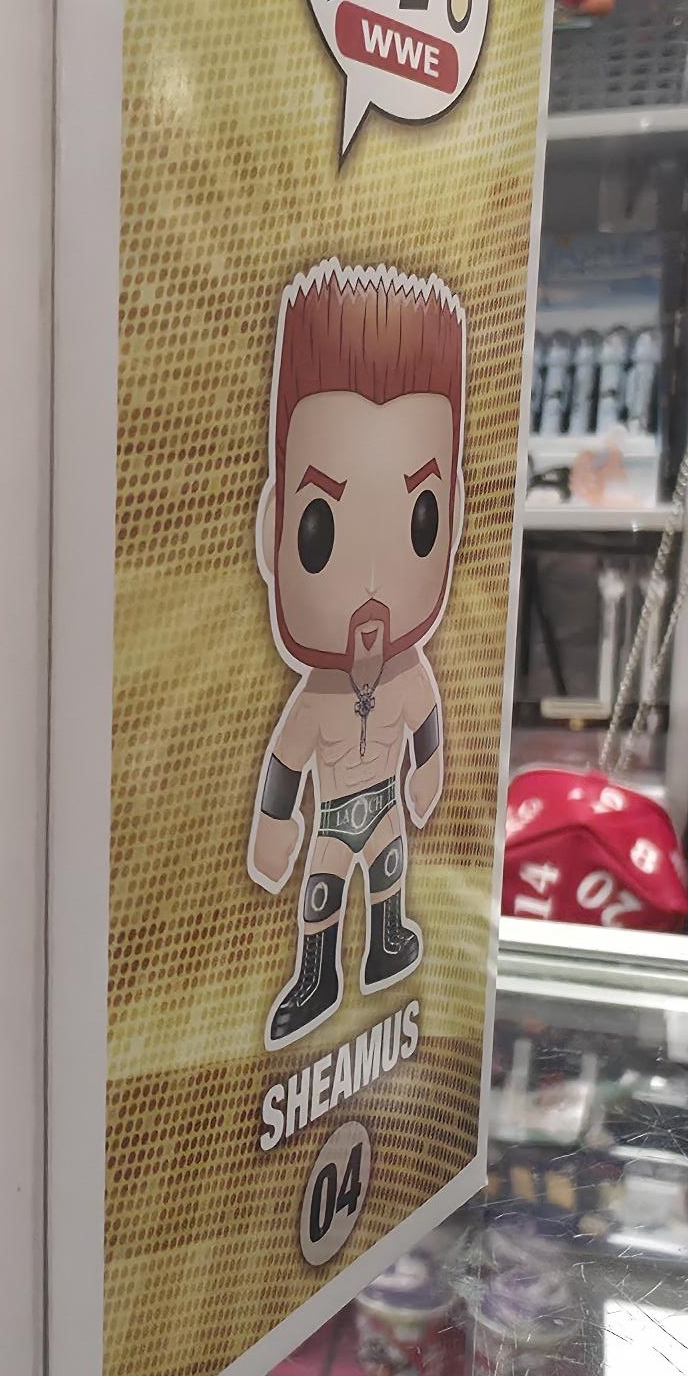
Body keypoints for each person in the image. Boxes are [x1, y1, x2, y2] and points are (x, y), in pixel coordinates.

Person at [246, 260, 465, 1049]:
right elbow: (284, 765)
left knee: (390, 874)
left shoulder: (410, 675)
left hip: (382, 805)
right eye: (320, 528)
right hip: (336, 814)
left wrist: (429, 767)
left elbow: (427, 722)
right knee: (322, 892)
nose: (373, 586)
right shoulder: (316, 697)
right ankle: (318, 975)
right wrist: (274, 826)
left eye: (421, 520)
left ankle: (390, 941)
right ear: (275, 528)